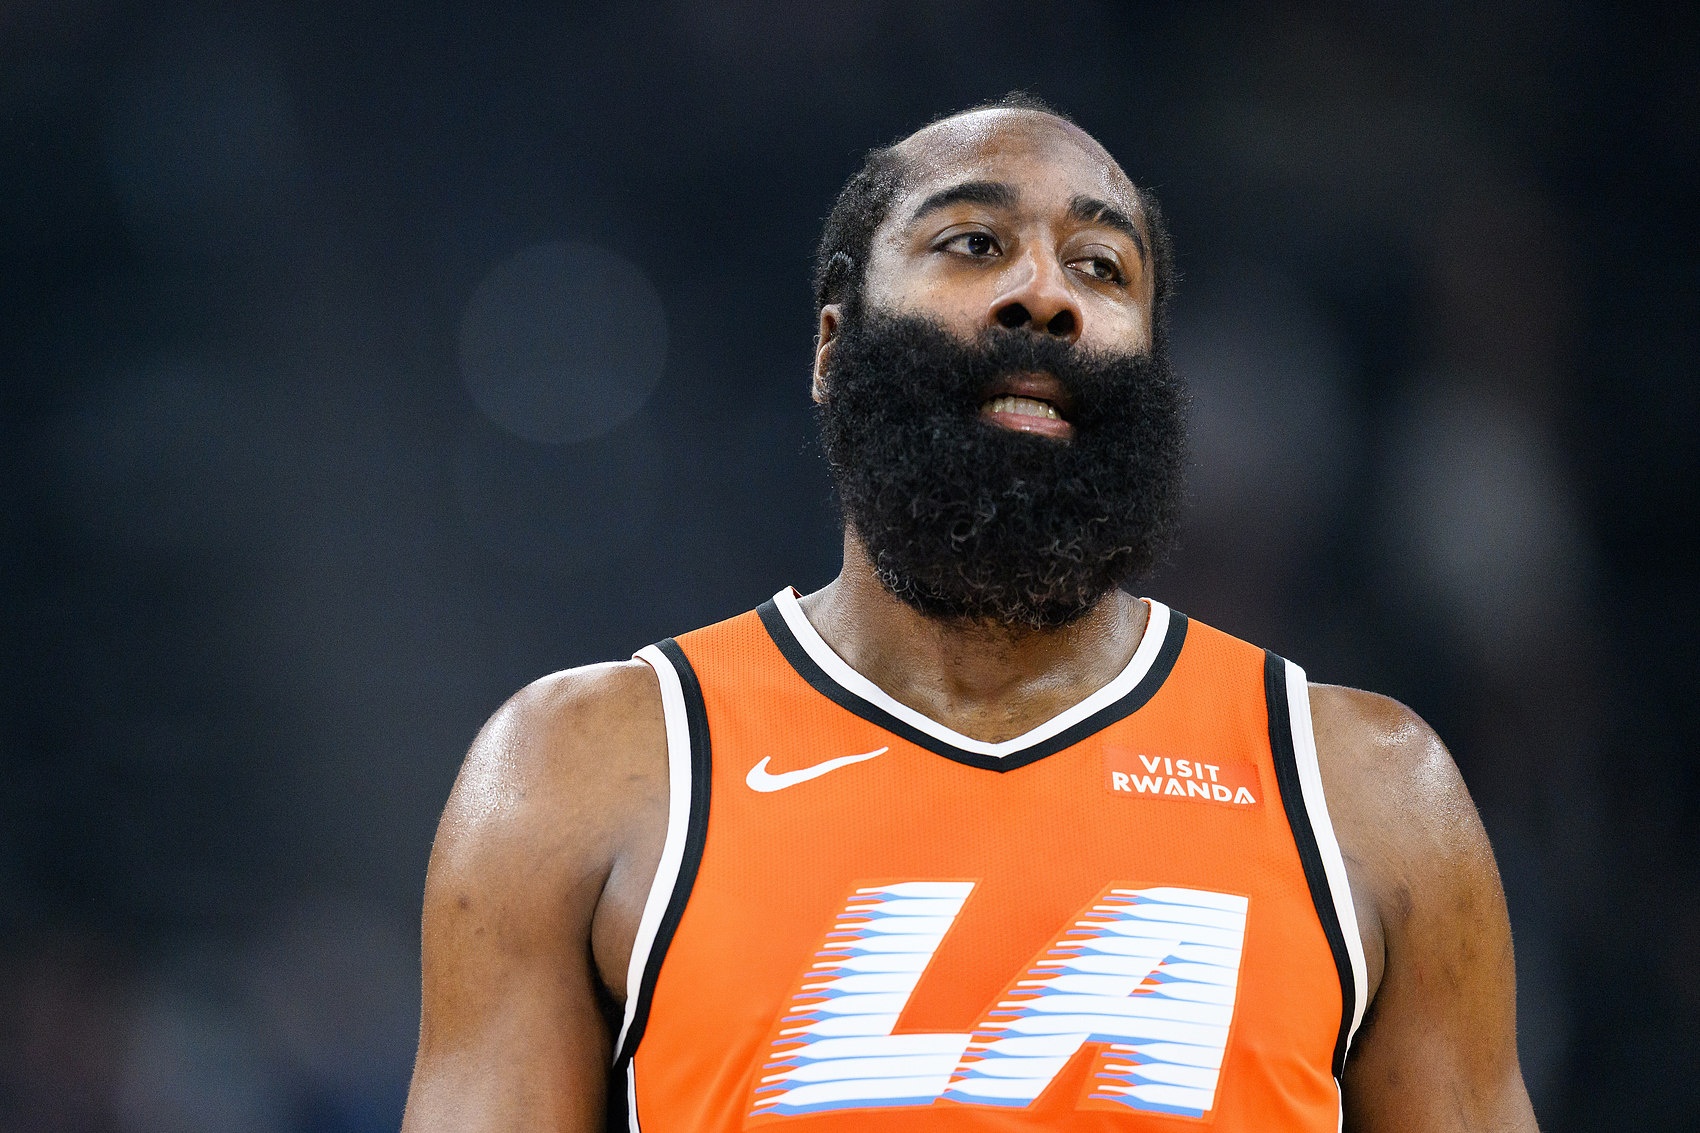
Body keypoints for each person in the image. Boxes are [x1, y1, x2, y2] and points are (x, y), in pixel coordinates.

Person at [401, 95, 1539, 1132]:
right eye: (974, 243)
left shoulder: (1368, 792)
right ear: (832, 345)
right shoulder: (586, 767)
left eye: (1101, 266)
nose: (1045, 292)